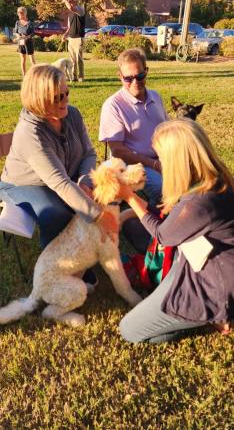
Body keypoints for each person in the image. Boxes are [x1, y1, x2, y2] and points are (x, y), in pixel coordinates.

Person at [117, 119, 234, 344]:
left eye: (161, 157)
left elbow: (163, 235)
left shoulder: (199, 203)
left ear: (177, 161)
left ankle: (211, 316)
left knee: (130, 330)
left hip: (214, 285)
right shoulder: (215, 180)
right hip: (205, 264)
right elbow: (173, 220)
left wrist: (129, 197)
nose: (158, 162)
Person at [0, 64, 117, 284]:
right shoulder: (30, 132)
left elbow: (89, 153)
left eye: (66, 93)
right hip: (23, 184)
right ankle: (55, 265)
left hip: (62, 177)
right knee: (56, 213)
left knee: (89, 200)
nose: (65, 100)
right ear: (38, 98)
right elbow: (61, 184)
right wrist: (100, 218)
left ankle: (87, 254)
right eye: (57, 97)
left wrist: (84, 180)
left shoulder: (72, 114)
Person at [99, 48, 168, 206]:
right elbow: (118, 151)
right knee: (162, 188)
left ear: (146, 71)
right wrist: (155, 165)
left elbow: (167, 132)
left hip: (161, 159)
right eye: (128, 78)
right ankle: (153, 221)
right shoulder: (113, 105)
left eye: (140, 76)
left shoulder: (156, 97)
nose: (135, 82)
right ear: (120, 77)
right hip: (133, 166)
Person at [62, 0, 85, 82]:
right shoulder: (70, 13)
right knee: (72, 60)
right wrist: (65, 35)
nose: (70, 0)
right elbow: (69, 27)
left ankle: (81, 77)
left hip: (79, 38)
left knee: (79, 59)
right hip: (71, 38)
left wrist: (65, 1)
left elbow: (72, 8)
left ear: (77, 0)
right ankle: (74, 77)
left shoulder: (80, 9)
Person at [14, 6, 36, 76]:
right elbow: (15, 32)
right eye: (18, 13)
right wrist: (18, 36)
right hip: (21, 43)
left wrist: (26, 37)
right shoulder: (17, 22)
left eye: (20, 13)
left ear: (24, 13)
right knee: (23, 60)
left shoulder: (30, 23)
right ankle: (24, 74)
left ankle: (36, 74)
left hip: (29, 43)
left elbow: (33, 33)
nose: (19, 14)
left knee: (32, 60)